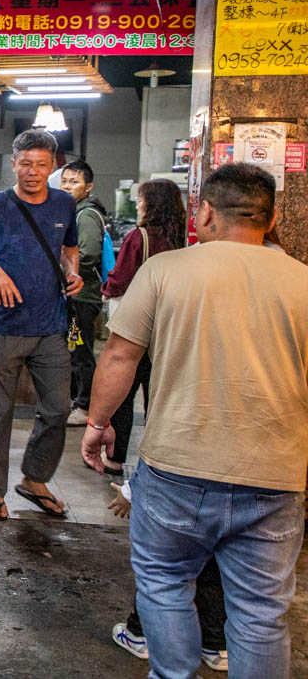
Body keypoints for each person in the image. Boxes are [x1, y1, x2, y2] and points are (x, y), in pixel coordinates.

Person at [82, 163, 308, 679]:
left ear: (204, 213)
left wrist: (98, 425)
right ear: (271, 220)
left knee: (164, 583)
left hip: (176, 468)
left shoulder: (166, 271)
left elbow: (119, 356)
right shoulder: (303, 281)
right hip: (275, 476)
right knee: (261, 612)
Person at [0, 129, 82, 521]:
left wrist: (72, 271)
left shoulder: (64, 204)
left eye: (41, 165)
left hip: (51, 325)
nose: (32, 172)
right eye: (25, 164)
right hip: (4, 326)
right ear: (13, 164)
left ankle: (34, 479)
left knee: (58, 408)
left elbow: (70, 248)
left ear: (52, 166)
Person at [95, 179, 187, 475]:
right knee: (159, 396)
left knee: (124, 394)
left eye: (141, 199)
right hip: (169, 327)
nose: (137, 204)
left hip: (139, 327)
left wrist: (106, 289)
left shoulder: (139, 236)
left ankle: (115, 458)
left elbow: (121, 277)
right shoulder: (183, 239)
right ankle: (157, 458)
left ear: (151, 203)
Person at [106, 481, 229, 671]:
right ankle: (215, 644)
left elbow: (157, 464)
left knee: (162, 571)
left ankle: (141, 634)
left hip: (178, 500)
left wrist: (129, 491)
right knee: (214, 572)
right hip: (231, 503)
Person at [58, 160, 110, 427]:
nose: (67, 186)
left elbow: (88, 255)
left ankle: (84, 405)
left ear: (88, 187)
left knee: (79, 350)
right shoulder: (75, 210)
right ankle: (76, 401)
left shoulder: (86, 215)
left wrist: (62, 266)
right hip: (77, 295)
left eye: (74, 182)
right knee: (74, 348)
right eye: (64, 181)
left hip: (82, 295)